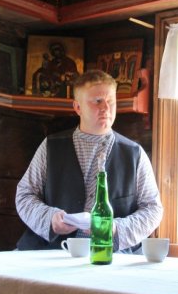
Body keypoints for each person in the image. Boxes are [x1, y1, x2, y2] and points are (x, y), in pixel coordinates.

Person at [16, 69, 163, 252]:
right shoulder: (51, 146)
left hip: (111, 255)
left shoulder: (134, 154)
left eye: (111, 101)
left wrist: (116, 228)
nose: (106, 108)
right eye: (97, 101)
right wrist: (49, 218)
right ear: (77, 107)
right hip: (51, 251)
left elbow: (152, 209)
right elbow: (25, 194)